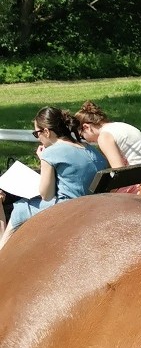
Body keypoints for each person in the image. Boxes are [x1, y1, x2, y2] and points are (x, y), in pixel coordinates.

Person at [0, 106, 108, 250]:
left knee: (20, 208)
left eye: (36, 133)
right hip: (95, 201)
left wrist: (44, 159)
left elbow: (47, 195)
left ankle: (3, 252)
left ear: (46, 131)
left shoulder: (51, 153)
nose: (38, 138)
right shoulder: (88, 147)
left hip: (69, 207)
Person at [73, 100, 141, 195]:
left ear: (86, 127)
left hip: (140, 185)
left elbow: (119, 172)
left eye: (82, 136)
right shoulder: (121, 126)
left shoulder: (104, 137)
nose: (87, 141)